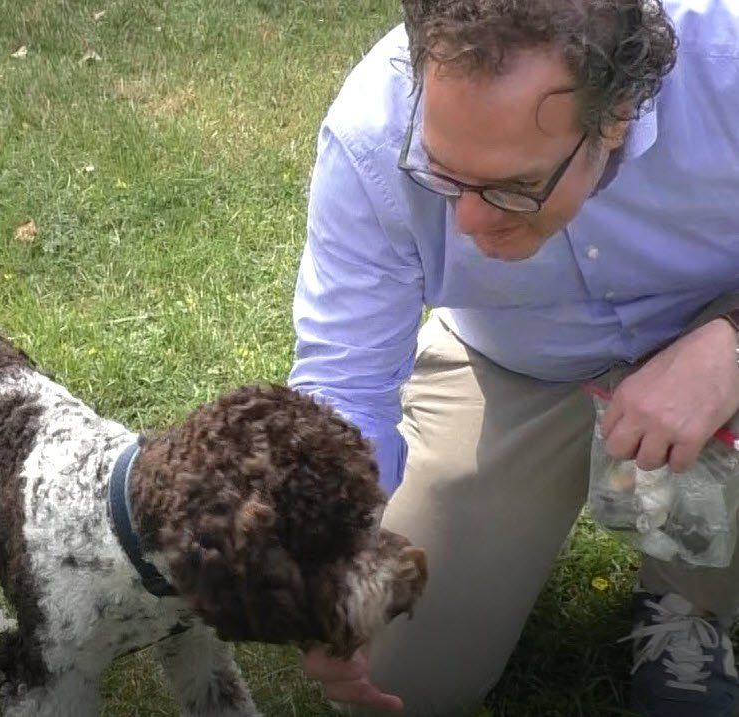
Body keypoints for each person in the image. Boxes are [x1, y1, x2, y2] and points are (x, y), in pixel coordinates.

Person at [288, 1, 739, 715]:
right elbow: (345, 388)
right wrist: (329, 558)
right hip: (510, 361)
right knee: (400, 674)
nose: (467, 223)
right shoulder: (372, 129)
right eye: (443, 175)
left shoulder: (728, 59)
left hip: (715, 331)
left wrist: (730, 345)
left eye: (513, 187)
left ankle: (693, 608)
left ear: (617, 115)